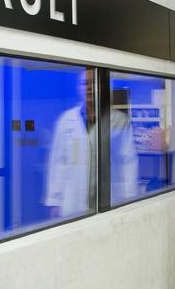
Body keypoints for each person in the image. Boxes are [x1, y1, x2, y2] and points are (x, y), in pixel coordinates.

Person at [44, 69, 137, 218]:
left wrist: (130, 199)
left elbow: (128, 162)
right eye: (84, 83)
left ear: (102, 87)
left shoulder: (119, 120)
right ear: (78, 88)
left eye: (93, 83)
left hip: (109, 199)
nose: (88, 88)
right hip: (73, 201)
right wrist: (54, 200)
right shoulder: (66, 120)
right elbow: (58, 163)